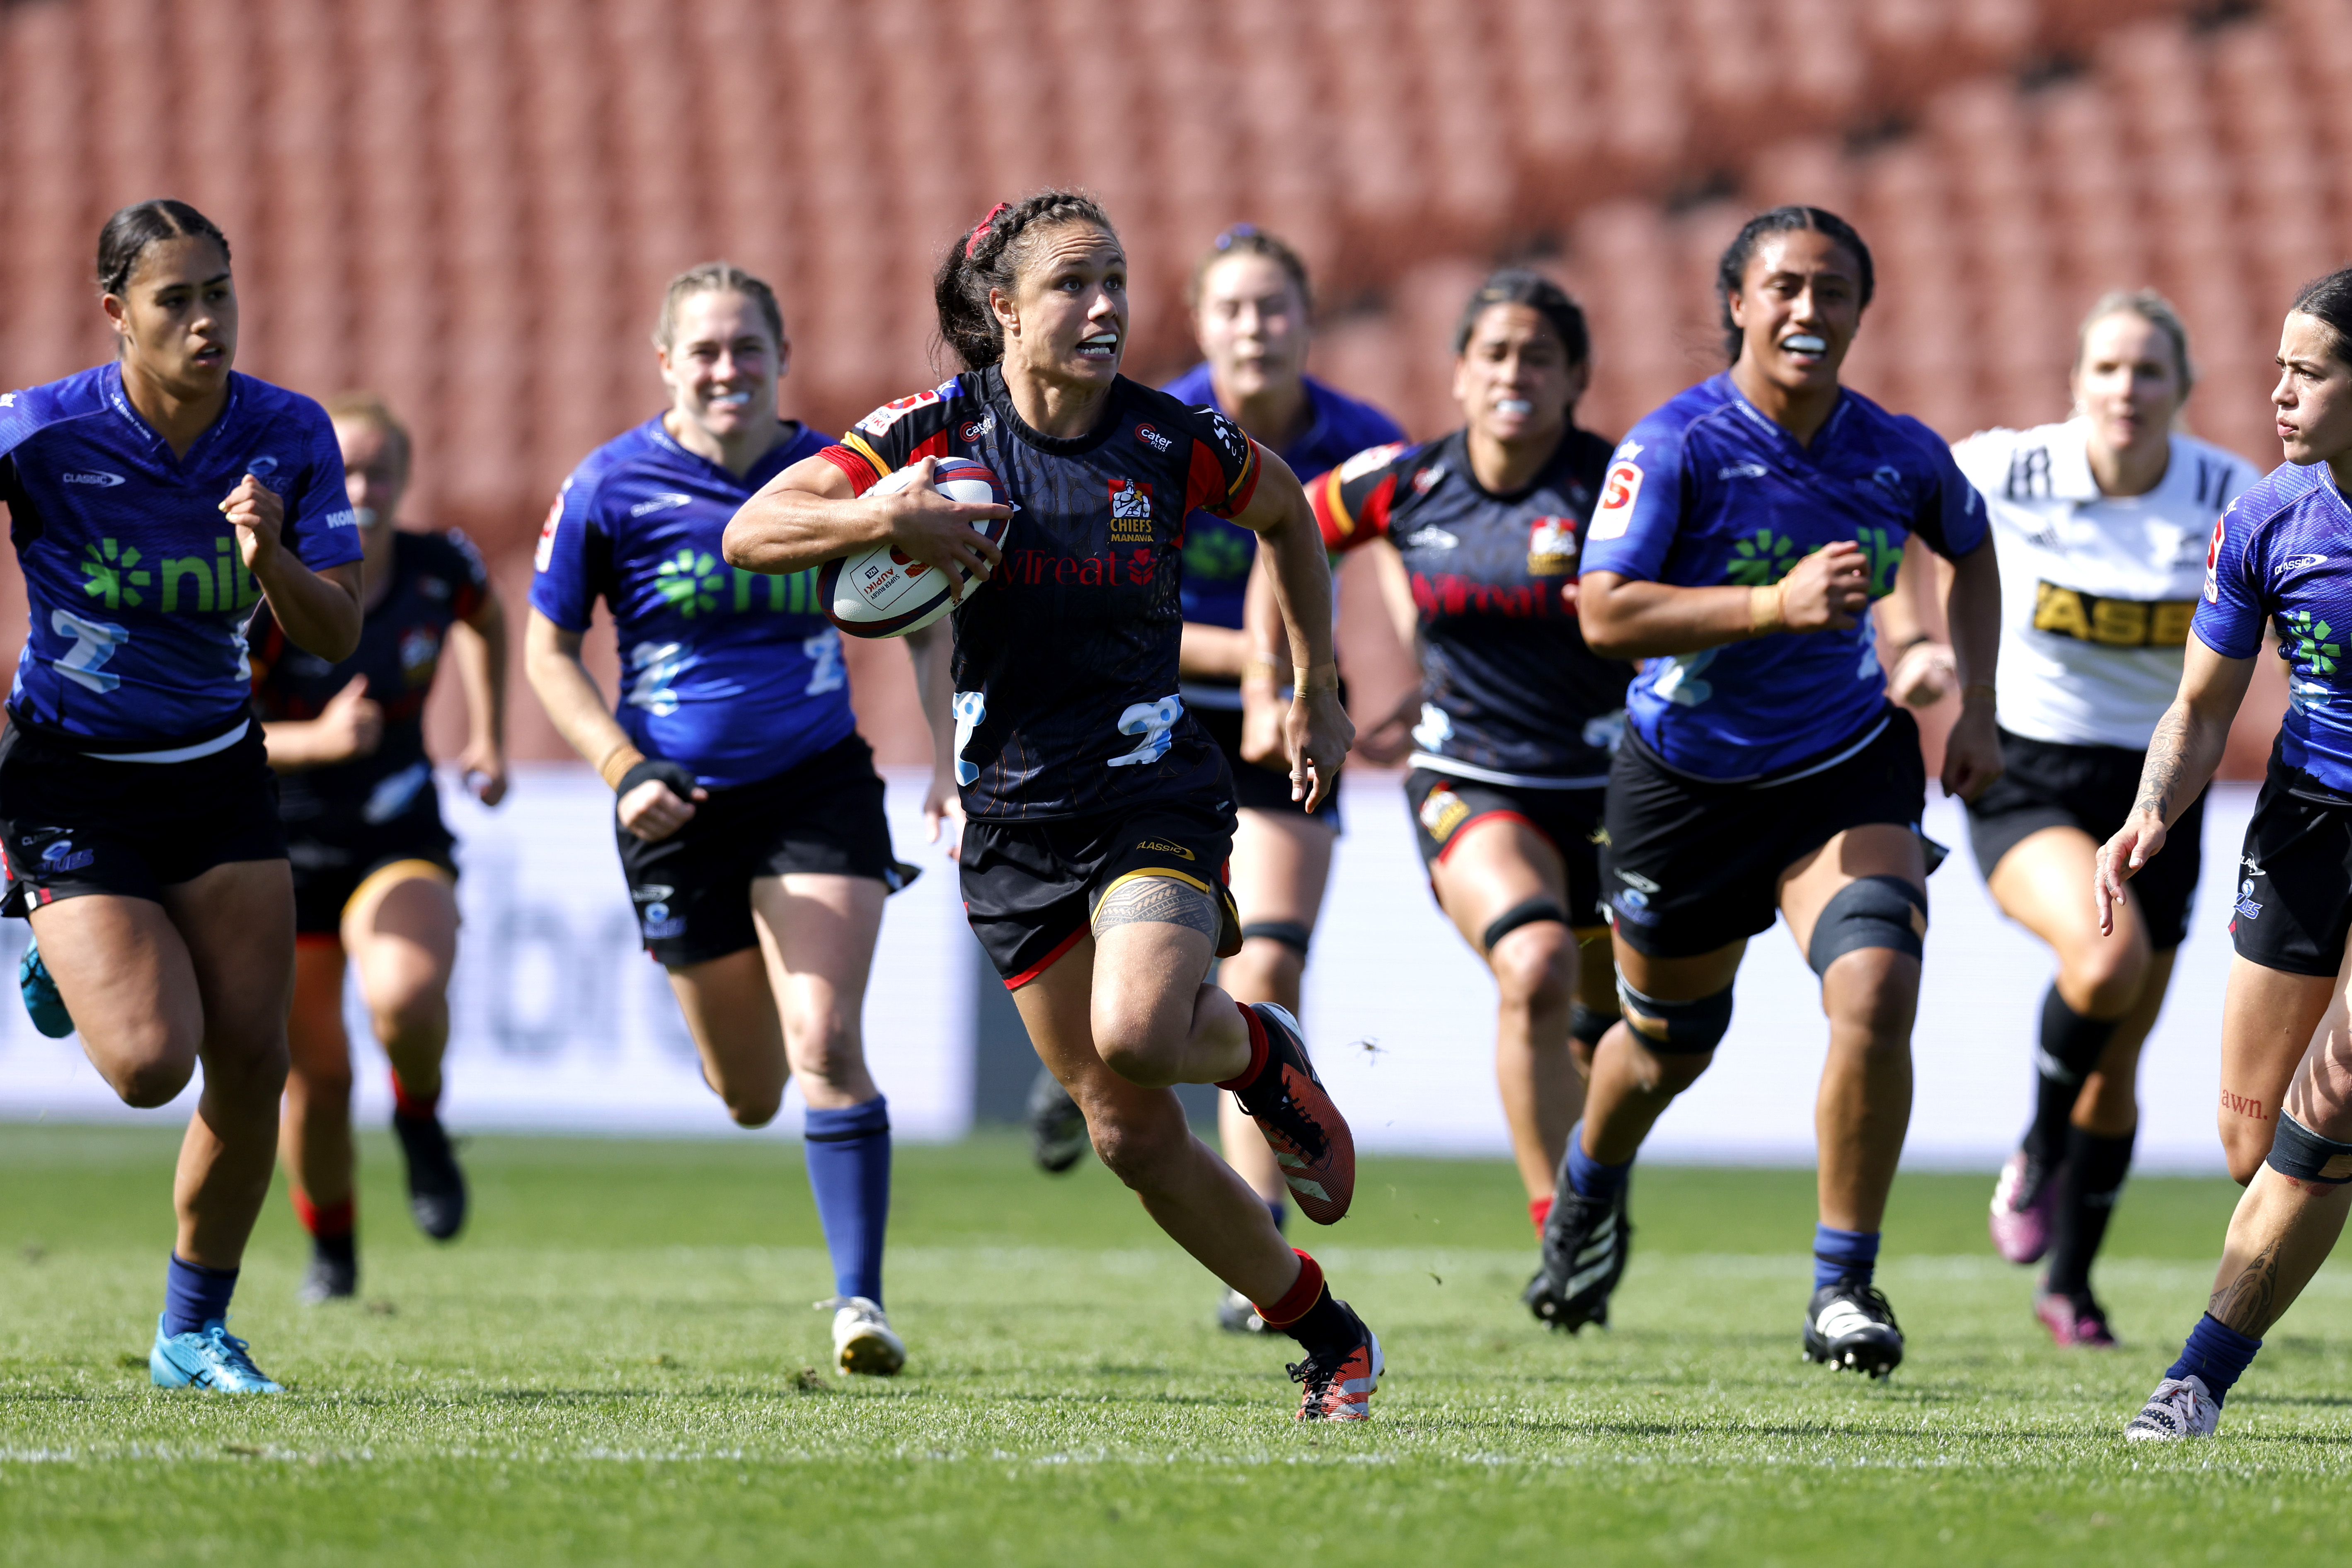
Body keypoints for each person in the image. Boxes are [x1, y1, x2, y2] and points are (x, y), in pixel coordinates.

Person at [722, 191, 1381, 1420]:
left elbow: (1290, 514)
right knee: (1128, 1135)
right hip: (1012, 826)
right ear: (1005, 309)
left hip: (1152, 791)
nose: (1105, 305)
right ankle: (1331, 1337)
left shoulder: (1169, 439)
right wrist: (885, 511)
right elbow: (755, 532)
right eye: (1073, 284)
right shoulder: (933, 432)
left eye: (1115, 280)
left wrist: (1316, 691)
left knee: (1138, 1034)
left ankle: (1255, 1052)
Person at [1536, 206, 2003, 1376]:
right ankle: (1587, 1189)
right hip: (1682, 789)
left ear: (1860, 312)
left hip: (1842, 768)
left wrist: (1979, 702)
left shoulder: (1899, 451)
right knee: (1665, 1050)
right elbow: (1603, 614)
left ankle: (1843, 1286)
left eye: (1833, 290)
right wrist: (1770, 605)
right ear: (1738, 304)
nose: (1808, 309)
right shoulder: (1676, 445)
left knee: (1876, 987)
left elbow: (1970, 545)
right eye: (1784, 286)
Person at [526, 262, 950, 1377]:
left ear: (782, 358)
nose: (728, 369)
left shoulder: (833, 480)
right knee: (751, 1091)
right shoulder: (608, 486)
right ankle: (758, 1065)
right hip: (674, 809)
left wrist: (947, 761)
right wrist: (622, 769)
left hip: (816, 786)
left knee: (828, 1042)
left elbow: (925, 620)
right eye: (705, 350)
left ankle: (860, 1304)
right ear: (666, 363)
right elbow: (547, 652)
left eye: (747, 347)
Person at [0, 199, 363, 1392]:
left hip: (216, 772)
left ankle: (191, 1331)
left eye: (220, 293)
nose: (207, 321)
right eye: (176, 300)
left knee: (254, 1059)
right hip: (70, 778)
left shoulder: (288, 431)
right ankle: (52, 929)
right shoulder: (38, 432)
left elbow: (337, 631)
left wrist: (273, 560)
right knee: (154, 1065)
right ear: (117, 312)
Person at [1025, 225, 1404, 1338]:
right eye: (1233, 309)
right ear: (1199, 324)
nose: (1256, 328)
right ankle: (1092, 1064)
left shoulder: (1359, 437)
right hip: (1146, 718)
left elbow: (1397, 556)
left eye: (1275, 307)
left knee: (1268, 958)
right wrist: (1254, 657)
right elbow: (1103, 602)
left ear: (1308, 321)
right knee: (1133, 1011)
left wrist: (1403, 679)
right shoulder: (1146, 426)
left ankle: (1261, 1240)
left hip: (1285, 721)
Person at [1881, 293, 2259, 1347]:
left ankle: (2072, 1284)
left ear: (2184, 388)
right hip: (2026, 770)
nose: (2127, 389)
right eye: (2108, 368)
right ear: (2077, 382)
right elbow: (1901, 522)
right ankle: (2037, 1152)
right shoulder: (2011, 466)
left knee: (2121, 1061)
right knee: (2106, 959)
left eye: (2149, 371)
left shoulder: (2229, 491)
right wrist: (1912, 641)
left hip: (2161, 794)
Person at [1304, 270, 1630, 1302]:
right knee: (1534, 963)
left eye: (1539, 355)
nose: (1514, 373)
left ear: (1577, 376)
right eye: (1494, 353)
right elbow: (1289, 526)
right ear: (1458, 372)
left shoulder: (1624, 485)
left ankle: (1595, 1171)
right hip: (1471, 775)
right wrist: (1296, 678)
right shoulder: (1405, 483)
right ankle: (1562, 1224)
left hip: (1619, 789)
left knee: (1618, 1019)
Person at [2110, 269, 2352, 1439]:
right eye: (2277, 369)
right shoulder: (2268, 517)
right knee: (2258, 1142)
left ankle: (2192, 1383)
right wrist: (2153, 807)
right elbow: (2202, 709)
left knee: (2337, 1087)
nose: (2279, 394)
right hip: (2306, 823)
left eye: (2309, 372)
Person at [251, 392, 511, 1303]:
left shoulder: (441, 566)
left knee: (404, 999)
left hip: (399, 835)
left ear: (405, 480)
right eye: (346, 472)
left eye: (380, 472)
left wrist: (488, 734)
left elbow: (488, 618)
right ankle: (334, 1253)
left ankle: (421, 1119)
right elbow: (216, 731)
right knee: (318, 1082)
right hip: (277, 854)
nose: (363, 489)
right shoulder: (271, 587)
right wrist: (315, 742)